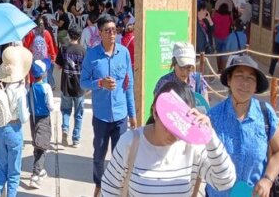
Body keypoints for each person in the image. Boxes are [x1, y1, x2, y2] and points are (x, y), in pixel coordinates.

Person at [100, 81, 237, 196]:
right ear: (155, 112)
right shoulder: (130, 142)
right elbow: (109, 190)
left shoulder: (193, 147)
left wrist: (210, 137)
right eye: (168, 123)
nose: (173, 133)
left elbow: (224, 181)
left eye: (178, 125)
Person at [208, 55, 279, 197]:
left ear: (256, 86)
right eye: (239, 76)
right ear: (229, 80)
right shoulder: (213, 117)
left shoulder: (266, 114)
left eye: (251, 78)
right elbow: (198, 158)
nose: (245, 83)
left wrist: (268, 180)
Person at [80, 16, 136, 197]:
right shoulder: (92, 55)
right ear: (100, 33)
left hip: (121, 117)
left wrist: (132, 113)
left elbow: (128, 85)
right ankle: (99, 184)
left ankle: (118, 189)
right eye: (108, 30)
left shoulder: (124, 53)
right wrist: (100, 84)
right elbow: (83, 82)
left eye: (114, 30)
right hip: (101, 117)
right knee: (98, 157)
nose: (112, 33)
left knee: (120, 158)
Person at [0, 45, 31, 197]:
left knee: (2, 166)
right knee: (14, 172)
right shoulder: (20, 90)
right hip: (14, 128)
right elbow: (24, 117)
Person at [56, 26, 86, 147]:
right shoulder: (83, 51)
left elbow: (58, 66)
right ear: (79, 37)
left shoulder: (63, 49)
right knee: (78, 114)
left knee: (66, 110)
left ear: (69, 35)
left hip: (66, 86)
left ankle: (65, 128)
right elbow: (87, 69)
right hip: (79, 87)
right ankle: (76, 139)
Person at [28, 60, 54, 189]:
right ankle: (35, 175)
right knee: (42, 148)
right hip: (44, 119)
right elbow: (51, 106)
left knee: (36, 144)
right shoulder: (46, 87)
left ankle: (41, 170)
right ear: (43, 73)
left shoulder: (31, 87)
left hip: (33, 119)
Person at [23, 17, 57, 85]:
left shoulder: (31, 33)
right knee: (44, 75)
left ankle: (34, 89)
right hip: (45, 58)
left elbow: (25, 47)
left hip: (34, 58)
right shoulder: (47, 33)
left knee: (34, 75)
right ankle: (44, 88)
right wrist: (53, 57)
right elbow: (51, 47)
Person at [212, 3, 233, 72]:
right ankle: (223, 70)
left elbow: (212, 23)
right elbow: (231, 24)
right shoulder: (228, 17)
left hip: (217, 37)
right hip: (226, 37)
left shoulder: (216, 16)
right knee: (224, 55)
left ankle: (218, 69)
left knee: (218, 53)